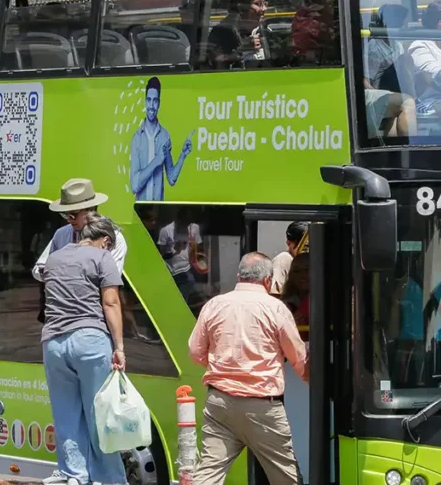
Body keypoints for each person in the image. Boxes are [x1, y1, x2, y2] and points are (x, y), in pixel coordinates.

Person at [31, 179, 126, 485]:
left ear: (91, 211)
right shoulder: (102, 254)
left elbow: (41, 271)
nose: (68, 219)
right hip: (90, 337)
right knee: (102, 413)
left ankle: (75, 476)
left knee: (66, 414)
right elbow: (110, 300)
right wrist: (119, 346)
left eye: (73, 213)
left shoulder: (58, 253)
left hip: (54, 340)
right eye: (66, 214)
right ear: (104, 242)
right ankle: (110, 480)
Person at [188, 252, 308, 485]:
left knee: (208, 475)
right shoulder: (275, 309)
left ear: (238, 276)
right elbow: (298, 358)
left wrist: (223, 368)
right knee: (287, 478)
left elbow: (195, 352)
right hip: (262, 407)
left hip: (219, 403)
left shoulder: (214, 305)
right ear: (268, 280)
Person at [130, 77, 193, 201]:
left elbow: (171, 179)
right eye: (149, 100)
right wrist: (156, 161)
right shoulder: (137, 138)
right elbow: (134, 186)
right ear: (145, 102)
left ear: (159, 103)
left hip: (159, 213)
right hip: (140, 213)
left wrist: (182, 155)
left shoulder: (165, 136)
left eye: (155, 101)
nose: (151, 106)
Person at [363, 4, 417, 138]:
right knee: (405, 103)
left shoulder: (396, 44)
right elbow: (365, 79)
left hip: (392, 90)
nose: (405, 28)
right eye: (403, 24)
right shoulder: (374, 48)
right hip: (375, 92)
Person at [205, 0, 267, 69]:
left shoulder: (265, 30)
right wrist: (242, 50)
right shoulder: (222, 32)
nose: (264, 9)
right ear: (241, 8)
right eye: (258, 4)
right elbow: (216, 63)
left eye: (264, 4)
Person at [270, 221, 308, 296]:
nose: (306, 250)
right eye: (304, 246)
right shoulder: (284, 259)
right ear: (289, 243)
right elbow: (274, 292)